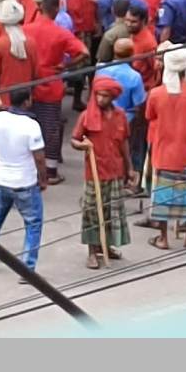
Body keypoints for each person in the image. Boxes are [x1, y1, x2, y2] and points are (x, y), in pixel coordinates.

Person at [0, 85, 46, 274]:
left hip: (1, 179)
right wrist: (43, 179)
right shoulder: (31, 125)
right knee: (33, 224)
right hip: (25, 182)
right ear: (27, 101)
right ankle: (27, 268)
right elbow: (39, 157)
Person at [24, 0, 90, 185]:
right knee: (50, 127)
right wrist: (66, 66)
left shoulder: (26, 29)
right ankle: (50, 170)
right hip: (52, 83)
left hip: (29, 83)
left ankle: (30, 168)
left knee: (28, 125)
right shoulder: (61, 32)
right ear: (56, 10)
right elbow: (84, 52)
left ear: (40, 8)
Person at [145, 47, 186, 249]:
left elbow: (150, 116)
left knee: (161, 196)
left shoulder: (155, 94)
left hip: (162, 152)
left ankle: (163, 238)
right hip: (184, 153)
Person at [71, 76, 132, 269]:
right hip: (94, 172)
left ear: (112, 97)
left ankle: (106, 246)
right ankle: (92, 251)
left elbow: (124, 143)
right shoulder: (86, 116)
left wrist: (129, 168)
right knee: (92, 211)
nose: (100, 100)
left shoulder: (120, 115)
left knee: (111, 211)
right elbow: (74, 139)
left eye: (105, 96)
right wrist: (83, 146)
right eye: (98, 95)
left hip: (115, 170)